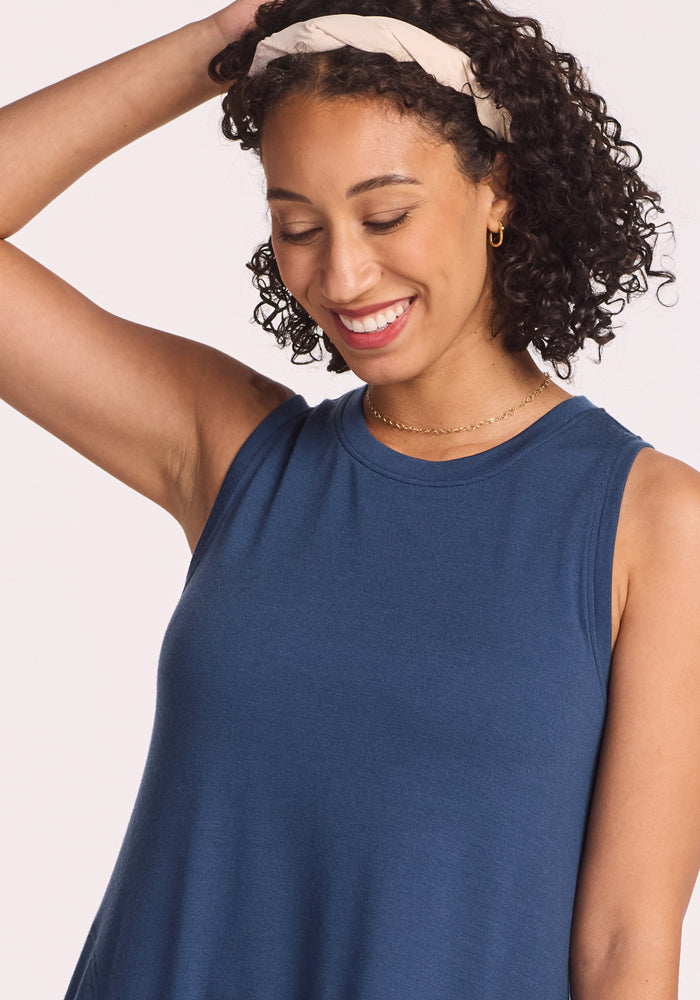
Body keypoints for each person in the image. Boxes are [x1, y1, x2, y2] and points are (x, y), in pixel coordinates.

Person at [1, 0, 698, 997]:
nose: (341, 272)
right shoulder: (238, 455)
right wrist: (223, 45)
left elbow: (625, 945)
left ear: (494, 190)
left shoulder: (649, 521)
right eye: (296, 225)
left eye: (386, 214)